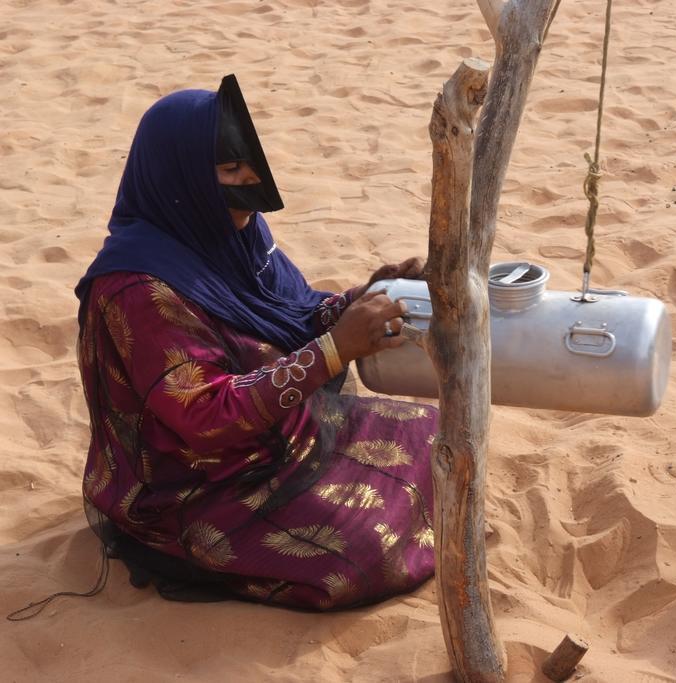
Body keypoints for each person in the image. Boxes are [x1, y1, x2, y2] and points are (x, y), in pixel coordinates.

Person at [73, 75, 438, 610]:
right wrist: (337, 347)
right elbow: (204, 414)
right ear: (184, 179)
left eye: (250, 164)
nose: (249, 180)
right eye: (229, 169)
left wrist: (369, 295)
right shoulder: (138, 289)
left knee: (436, 438)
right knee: (362, 551)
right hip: (196, 481)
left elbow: (293, 313)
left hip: (283, 434)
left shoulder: (237, 231)